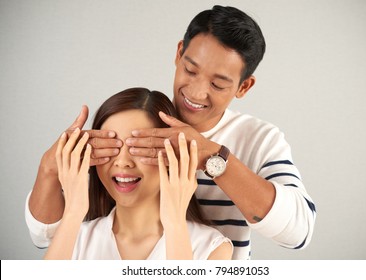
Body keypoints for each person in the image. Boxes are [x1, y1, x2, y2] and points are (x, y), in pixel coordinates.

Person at [26, 5, 316, 259]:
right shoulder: (143, 117)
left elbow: (298, 232)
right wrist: (49, 169)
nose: (197, 91)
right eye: (190, 70)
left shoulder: (260, 138)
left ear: (244, 87)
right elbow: (45, 235)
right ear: (179, 54)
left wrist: (212, 158)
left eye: (218, 84)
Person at [40, 87, 232, 260]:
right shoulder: (73, 238)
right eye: (112, 148)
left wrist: (175, 224)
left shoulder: (211, 248)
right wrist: (73, 212)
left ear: (173, 157)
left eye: (139, 148)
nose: (123, 162)